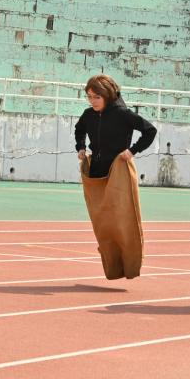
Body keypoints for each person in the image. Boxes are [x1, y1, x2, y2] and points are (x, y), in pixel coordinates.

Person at [74, 74, 157, 279]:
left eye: (97, 97)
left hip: (118, 170)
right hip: (96, 172)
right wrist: (81, 147)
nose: (93, 101)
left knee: (122, 220)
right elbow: (79, 129)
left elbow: (150, 130)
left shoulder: (122, 114)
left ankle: (131, 264)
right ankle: (113, 267)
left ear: (108, 95)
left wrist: (132, 150)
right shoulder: (88, 114)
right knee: (101, 222)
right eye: (89, 97)